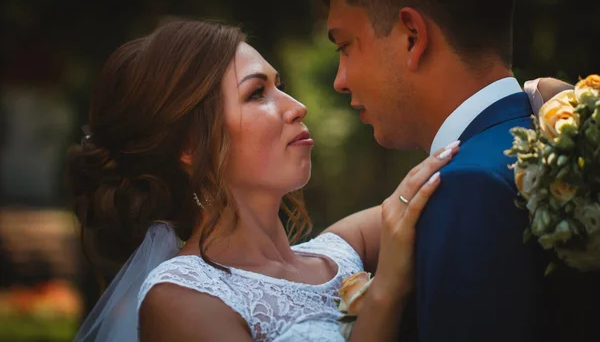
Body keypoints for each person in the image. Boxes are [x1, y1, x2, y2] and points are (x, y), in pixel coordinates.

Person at [67, 19, 459, 341]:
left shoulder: (341, 252)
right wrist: (386, 291)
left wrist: (521, 125)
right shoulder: (180, 298)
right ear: (189, 146)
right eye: (257, 93)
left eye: (280, 87)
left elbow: (451, 186)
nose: (297, 107)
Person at [313, 0, 585, 341]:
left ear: (411, 35)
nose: (340, 79)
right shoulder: (558, 145)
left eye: (345, 46)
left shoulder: (466, 187)